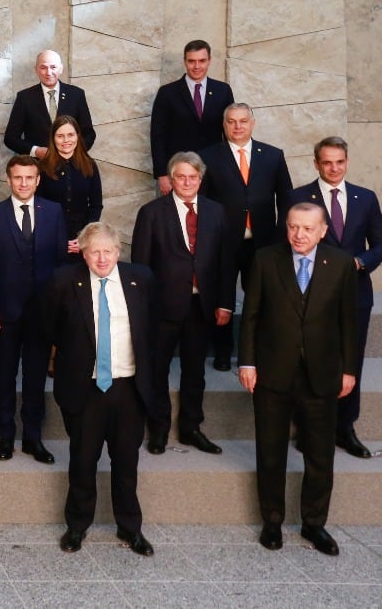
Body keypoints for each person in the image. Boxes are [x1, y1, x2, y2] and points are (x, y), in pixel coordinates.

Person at [239, 203, 358, 557]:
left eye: (307, 228)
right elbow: (251, 317)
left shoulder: (339, 264)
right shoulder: (265, 259)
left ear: (323, 230)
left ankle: (314, 523)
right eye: (293, 227)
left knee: (320, 454)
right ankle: (272, 522)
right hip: (273, 372)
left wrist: (349, 370)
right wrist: (247, 363)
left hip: (321, 375)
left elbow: (348, 323)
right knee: (271, 450)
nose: (299, 235)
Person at [45, 222, 155, 557]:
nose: (102, 258)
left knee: (126, 462)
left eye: (108, 251)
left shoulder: (141, 279)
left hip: (127, 387)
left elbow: (154, 330)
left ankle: (130, 528)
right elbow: (47, 327)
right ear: (83, 253)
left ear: (119, 252)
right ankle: (77, 526)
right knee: (82, 460)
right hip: (85, 388)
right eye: (95, 252)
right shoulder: (64, 282)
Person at [130, 152, 234, 456]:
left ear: (201, 179)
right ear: (170, 180)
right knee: (157, 370)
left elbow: (226, 263)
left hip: (202, 306)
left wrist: (225, 303)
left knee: (194, 371)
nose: (187, 182)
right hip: (162, 309)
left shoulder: (217, 212)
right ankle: (158, 429)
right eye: (181, 177)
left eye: (193, 177)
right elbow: (140, 266)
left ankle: (191, 428)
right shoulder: (151, 213)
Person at [288, 137, 382, 459]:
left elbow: (379, 244)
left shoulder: (366, 198)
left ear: (347, 161)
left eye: (339, 161)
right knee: (309, 360)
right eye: (327, 162)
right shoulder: (298, 197)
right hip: (309, 295)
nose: (334, 168)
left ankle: (345, 428)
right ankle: (308, 428)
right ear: (316, 163)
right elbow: (286, 245)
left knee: (350, 360)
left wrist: (361, 262)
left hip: (355, 293)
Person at [0, 155, 67, 464]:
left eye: (29, 178)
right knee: (4, 375)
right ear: (9, 179)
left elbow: (60, 266)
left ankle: (32, 438)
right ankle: (5, 436)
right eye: (18, 178)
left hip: (42, 315)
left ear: (38, 180)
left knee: (36, 376)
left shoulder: (53, 213)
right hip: (3, 312)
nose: (24, 183)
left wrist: (56, 312)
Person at [199, 102, 292, 369]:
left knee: (260, 298)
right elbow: (201, 201)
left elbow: (286, 200)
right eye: (231, 121)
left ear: (253, 123)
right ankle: (223, 352)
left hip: (262, 243)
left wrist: (279, 239)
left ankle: (254, 353)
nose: (237, 126)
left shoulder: (273, 156)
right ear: (224, 124)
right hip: (223, 242)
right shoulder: (208, 156)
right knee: (222, 297)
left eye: (242, 121)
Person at [149, 40, 235, 196]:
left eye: (202, 61)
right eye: (191, 61)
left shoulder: (223, 91)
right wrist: (162, 174)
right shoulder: (167, 93)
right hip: (179, 174)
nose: (197, 66)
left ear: (209, 61)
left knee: (211, 216)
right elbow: (157, 136)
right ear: (185, 61)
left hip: (214, 172)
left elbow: (231, 132)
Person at [4, 49, 95, 159]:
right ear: (36, 70)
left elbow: (89, 134)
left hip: (72, 165)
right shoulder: (24, 97)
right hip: (39, 167)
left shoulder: (76, 95)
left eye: (53, 67)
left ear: (61, 69)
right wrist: (36, 151)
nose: (48, 72)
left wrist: (72, 152)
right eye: (43, 67)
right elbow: (10, 138)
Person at [37, 115, 103, 258]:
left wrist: (83, 237)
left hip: (83, 236)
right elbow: (38, 205)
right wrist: (56, 239)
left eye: (70, 135)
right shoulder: (42, 167)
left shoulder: (90, 165)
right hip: (50, 236)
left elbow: (96, 205)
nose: (66, 140)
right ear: (53, 139)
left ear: (78, 136)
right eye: (60, 136)